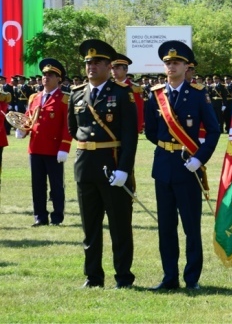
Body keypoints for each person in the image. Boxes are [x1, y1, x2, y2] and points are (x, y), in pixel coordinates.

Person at [144, 41, 220, 291]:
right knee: (166, 226)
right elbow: (152, 133)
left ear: (187, 66)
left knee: (190, 226)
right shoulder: (155, 95)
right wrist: (170, 148)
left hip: (188, 167)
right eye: (168, 62)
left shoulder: (198, 94)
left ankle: (191, 278)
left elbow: (213, 130)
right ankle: (169, 277)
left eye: (176, 62)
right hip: (164, 166)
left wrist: (199, 158)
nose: (171, 66)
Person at [68, 39, 138, 288]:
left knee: (119, 227)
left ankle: (123, 277)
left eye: (97, 62)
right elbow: (74, 130)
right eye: (88, 62)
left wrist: (124, 169)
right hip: (85, 166)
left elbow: (130, 137)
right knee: (90, 227)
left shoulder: (121, 94)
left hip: (113, 166)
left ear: (109, 66)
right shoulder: (77, 94)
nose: (91, 66)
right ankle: (93, 277)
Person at [16, 59, 72, 226]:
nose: (46, 78)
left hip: (54, 149)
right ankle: (40, 217)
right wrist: (22, 129)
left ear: (58, 79)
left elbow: (67, 126)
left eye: (50, 75)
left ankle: (57, 216)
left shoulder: (64, 99)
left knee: (56, 185)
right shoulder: (34, 97)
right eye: (44, 75)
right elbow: (28, 117)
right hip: (35, 148)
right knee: (37, 185)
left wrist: (64, 147)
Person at [111, 54, 145, 133]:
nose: (114, 71)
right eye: (112, 68)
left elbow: (139, 110)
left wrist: (137, 129)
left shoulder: (134, 88)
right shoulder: (109, 87)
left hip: (128, 130)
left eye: (117, 68)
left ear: (126, 70)